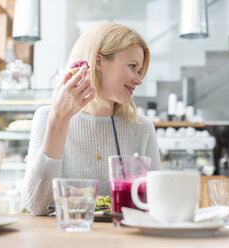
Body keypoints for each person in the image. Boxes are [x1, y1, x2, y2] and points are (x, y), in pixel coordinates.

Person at [22, 23, 161, 215]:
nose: (138, 80)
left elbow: (157, 202)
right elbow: (37, 206)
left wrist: (78, 194)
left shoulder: (142, 127)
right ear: (99, 62)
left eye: (139, 71)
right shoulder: (47, 118)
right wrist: (59, 119)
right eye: (132, 67)